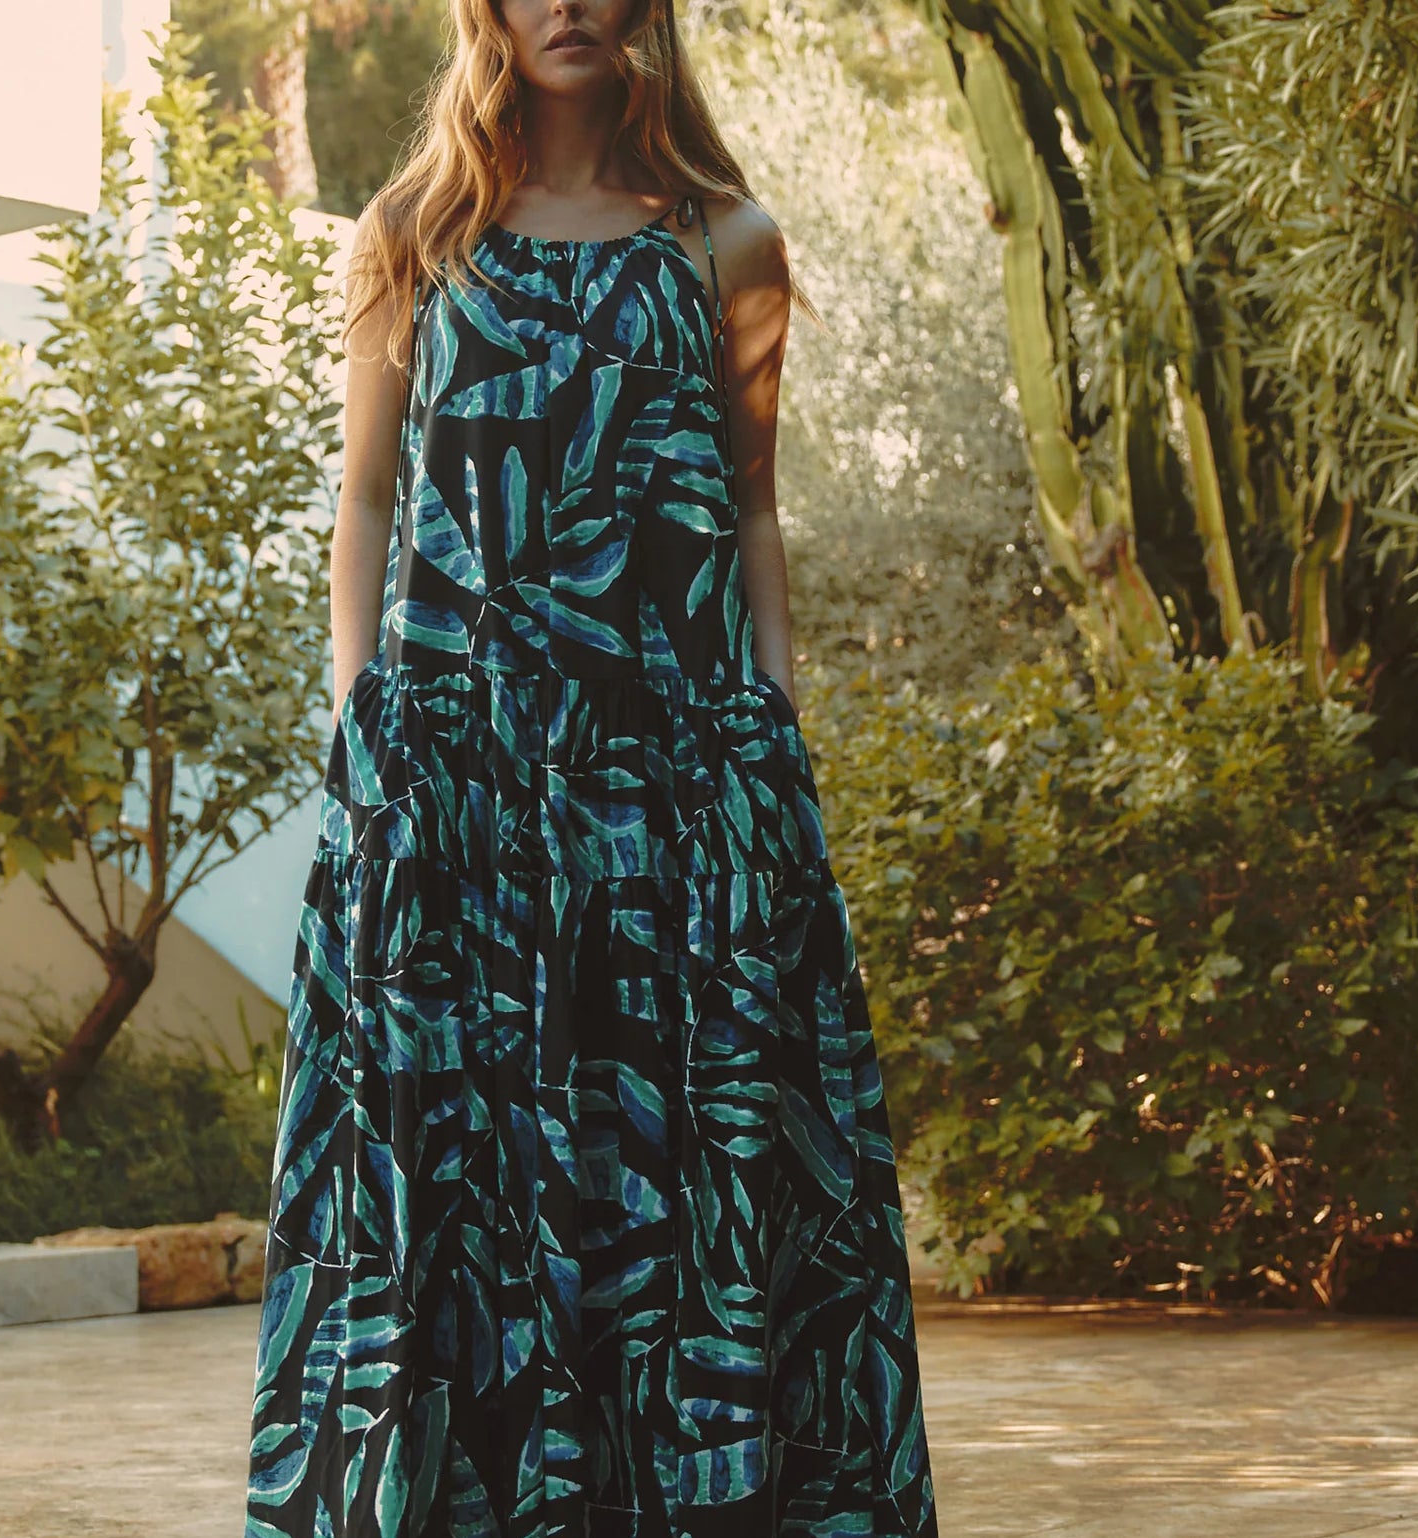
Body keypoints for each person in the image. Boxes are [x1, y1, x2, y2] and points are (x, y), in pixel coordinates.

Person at [244, 0, 937, 1531]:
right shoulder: (413, 234)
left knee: (687, 1185)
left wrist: (771, 734)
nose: (570, 2)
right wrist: (365, 729)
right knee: (456, 1197)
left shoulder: (724, 245)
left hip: (674, 800)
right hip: (457, 802)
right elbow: (365, 502)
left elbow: (750, 506)